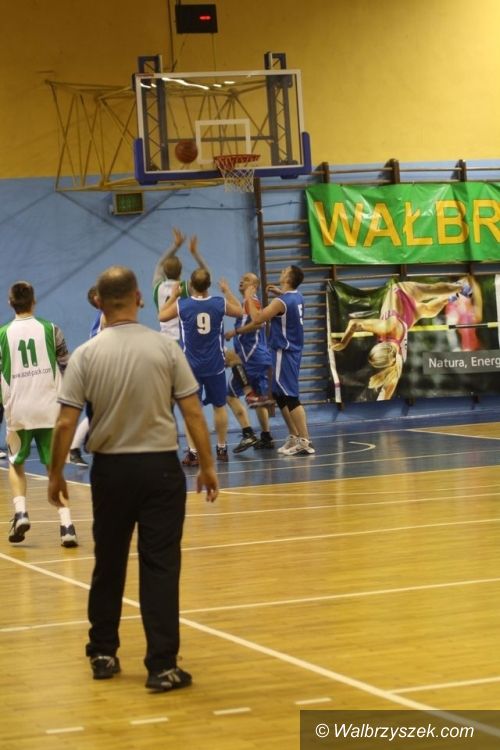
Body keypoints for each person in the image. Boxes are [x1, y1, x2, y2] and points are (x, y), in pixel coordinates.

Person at [48, 266, 218, 692]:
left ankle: (103, 653)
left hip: (111, 472)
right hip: (160, 469)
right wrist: (208, 466)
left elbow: (65, 423)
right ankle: (162, 666)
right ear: (140, 298)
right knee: (160, 565)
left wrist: (55, 474)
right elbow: (193, 413)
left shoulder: (86, 354)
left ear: (98, 302)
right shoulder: (165, 349)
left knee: (108, 562)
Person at [0, 281, 78, 547]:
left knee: (16, 463)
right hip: (49, 407)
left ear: (10, 303)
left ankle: (21, 512)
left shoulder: (2, 335)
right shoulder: (51, 329)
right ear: (33, 301)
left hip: (18, 409)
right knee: (54, 468)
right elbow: (66, 366)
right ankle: (67, 525)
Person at [331, 276, 477, 400]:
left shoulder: (395, 358)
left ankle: (458, 288)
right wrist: (343, 343)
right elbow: (354, 323)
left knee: (429, 298)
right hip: (404, 314)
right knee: (428, 304)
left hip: (401, 299)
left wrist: (344, 343)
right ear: (380, 346)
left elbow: (386, 393)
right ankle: (451, 295)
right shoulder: (390, 343)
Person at [159, 268, 243, 464]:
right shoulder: (219, 303)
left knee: (192, 411)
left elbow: (162, 316)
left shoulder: (183, 304)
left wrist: (174, 296)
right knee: (219, 406)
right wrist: (227, 291)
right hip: (215, 365)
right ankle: (221, 448)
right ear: (209, 285)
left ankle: (194, 452)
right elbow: (240, 311)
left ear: (190, 285)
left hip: (191, 368)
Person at [244, 265, 315, 456]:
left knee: (291, 396)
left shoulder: (280, 302)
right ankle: (294, 435)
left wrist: (249, 297)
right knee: (279, 394)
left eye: (285, 271)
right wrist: (279, 292)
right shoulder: (297, 296)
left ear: (289, 278)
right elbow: (287, 302)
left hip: (284, 352)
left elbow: (258, 318)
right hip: (289, 351)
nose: (281, 271)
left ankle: (304, 440)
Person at [224, 272, 275, 453]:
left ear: (254, 286)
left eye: (246, 279)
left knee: (229, 394)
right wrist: (227, 291)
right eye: (242, 278)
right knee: (259, 398)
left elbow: (258, 323)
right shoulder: (247, 302)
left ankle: (248, 434)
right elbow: (238, 308)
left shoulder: (252, 301)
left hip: (251, 359)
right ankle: (266, 437)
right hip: (257, 358)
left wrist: (235, 332)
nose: (241, 280)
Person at [152, 228, 208, 340]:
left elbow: (160, 264)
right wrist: (194, 253)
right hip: (182, 338)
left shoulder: (157, 286)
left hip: (165, 338)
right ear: (181, 271)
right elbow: (205, 274)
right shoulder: (186, 287)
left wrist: (176, 245)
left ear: (164, 271)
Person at [69, 285, 103, 467]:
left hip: (102, 368)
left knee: (101, 412)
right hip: (99, 369)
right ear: (98, 300)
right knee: (98, 411)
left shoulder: (106, 316)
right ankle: (75, 448)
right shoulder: (103, 318)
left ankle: (85, 442)